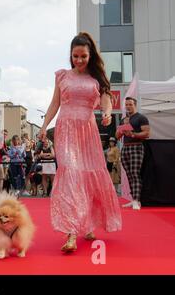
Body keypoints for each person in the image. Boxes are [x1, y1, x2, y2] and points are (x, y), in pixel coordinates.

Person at [39, 32, 122, 253]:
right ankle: (71, 234)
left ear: (90, 55)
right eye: (75, 56)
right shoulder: (62, 76)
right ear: (70, 55)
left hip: (87, 132)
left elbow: (106, 100)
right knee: (71, 175)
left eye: (83, 56)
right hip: (66, 130)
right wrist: (44, 126)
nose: (79, 60)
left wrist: (106, 113)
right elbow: (54, 103)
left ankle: (88, 224)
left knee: (88, 176)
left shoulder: (97, 78)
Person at [116, 97, 150, 210]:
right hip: (125, 147)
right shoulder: (124, 119)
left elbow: (147, 133)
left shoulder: (141, 118)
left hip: (137, 147)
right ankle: (133, 199)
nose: (128, 106)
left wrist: (133, 134)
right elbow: (117, 136)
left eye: (130, 104)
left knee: (135, 173)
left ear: (135, 105)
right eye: (126, 104)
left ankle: (137, 200)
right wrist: (121, 131)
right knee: (129, 175)